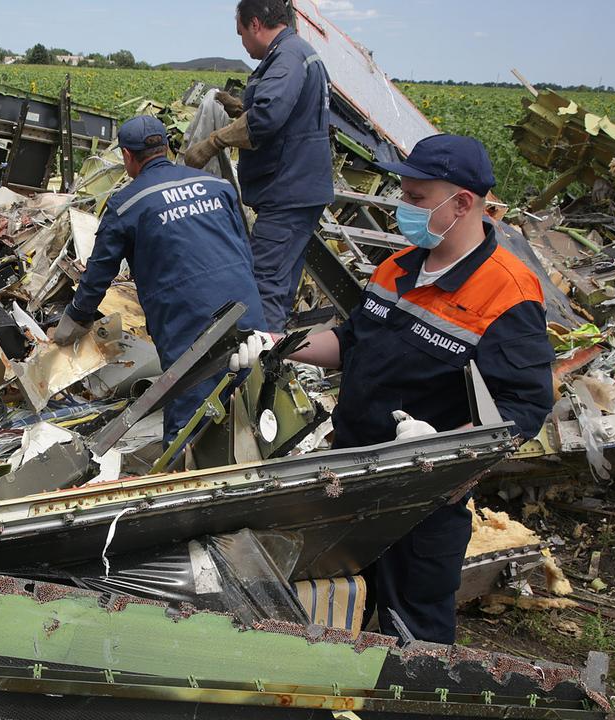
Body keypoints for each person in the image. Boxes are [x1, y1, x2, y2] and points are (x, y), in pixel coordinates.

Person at [234, 134, 555, 643]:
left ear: (463, 203)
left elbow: (525, 405)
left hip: (421, 500)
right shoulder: (398, 266)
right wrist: (279, 345)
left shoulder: (507, 293)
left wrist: (443, 448)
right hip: (350, 476)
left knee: (416, 630)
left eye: (416, 198)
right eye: (403, 194)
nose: (403, 207)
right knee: (343, 606)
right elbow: (351, 341)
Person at [54, 115, 265, 446]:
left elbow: (98, 274)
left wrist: (75, 320)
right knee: (253, 404)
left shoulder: (127, 205)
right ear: (167, 147)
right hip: (248, 310)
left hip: (191, 328)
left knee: (189, 424)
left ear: (126, 156)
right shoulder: (220, 187)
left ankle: (185, 488)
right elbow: (245, 248)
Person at [183, 0, 334, 334]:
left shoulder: (287, 56)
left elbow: (267, 117)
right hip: (297, 191)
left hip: (287, 192)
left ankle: (254, 370)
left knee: (263, 286)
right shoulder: (299, 53)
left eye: (240, 33)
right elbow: (288, 115)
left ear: (255, 24)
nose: (241, 43)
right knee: (278, 285)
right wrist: (241, 107)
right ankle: (269, 361)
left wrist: (213, 143)